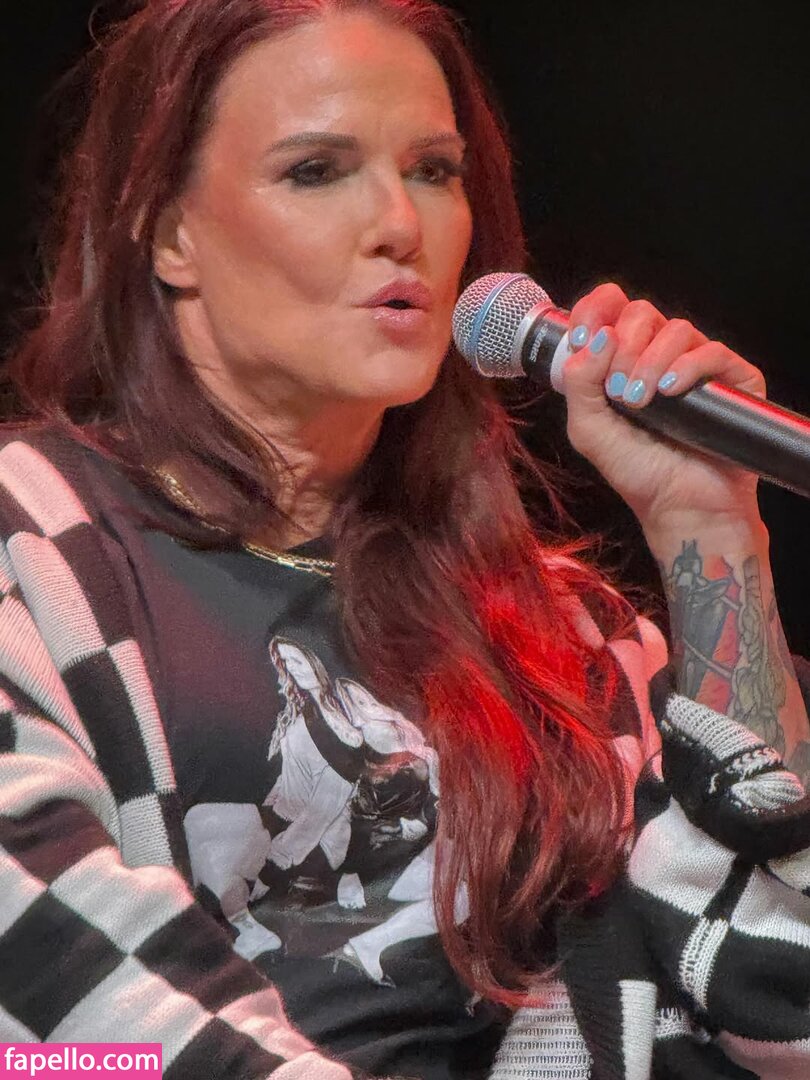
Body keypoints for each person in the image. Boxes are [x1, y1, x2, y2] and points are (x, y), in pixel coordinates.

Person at [1, 1, 810, 1078]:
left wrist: (713, 534)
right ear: (166, 231)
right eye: (316, 171)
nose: (400, 224)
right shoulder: (34, 549)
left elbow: (778, 1000)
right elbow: (51, 1010)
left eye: (433, 171)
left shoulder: (563, 633)